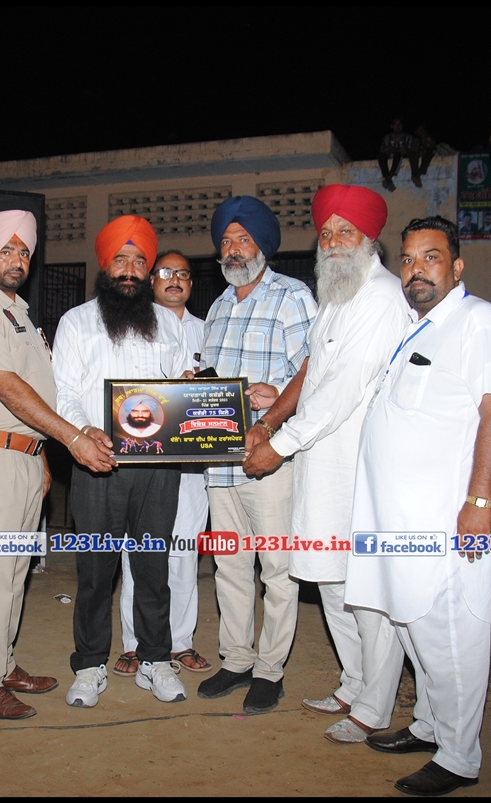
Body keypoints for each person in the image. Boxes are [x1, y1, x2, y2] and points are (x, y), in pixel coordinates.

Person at [348, 218, 491, 796]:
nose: (416, 269)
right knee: (415, 630)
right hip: (398, 522)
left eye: (431, 257)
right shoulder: (419, 330)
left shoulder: (479, 322)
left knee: (449, 641)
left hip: (444, 522)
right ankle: (428, 725)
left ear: (457, 266)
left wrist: (479, 500)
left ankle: (460, 757)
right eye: (408, 259)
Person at [240, 186, 408, 744]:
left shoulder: (382, 296)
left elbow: (341, 390)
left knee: (364, 591)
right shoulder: (336, 294)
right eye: (327, 234)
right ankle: (354, 683)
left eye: (346, 233)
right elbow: (312, 372)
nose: (334, 243)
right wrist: (273, 422)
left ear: (369, 239)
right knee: (331, 582)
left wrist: (279, 444)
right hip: (320, 463)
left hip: (358, 467)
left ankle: (374, 708)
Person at [0, 209, 113, 720]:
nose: (17, 260)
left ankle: (1, 664)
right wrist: (70, 438)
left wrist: (42, 454)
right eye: (6, 250)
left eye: (24, 251)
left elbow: (38, 394)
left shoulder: (18, 312)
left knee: (15, 571)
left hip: (23, 457)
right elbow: (7, 388)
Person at [53, 215, 188, 707]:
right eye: (120, 260)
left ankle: (155, 660)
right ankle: (89, 665)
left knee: (153, 567)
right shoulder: (76, 322)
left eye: (138, 261)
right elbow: (63, 392)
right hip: (97, 464)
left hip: (157, 469)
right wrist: (82, 432)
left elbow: (179, 387)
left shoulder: (168, 325)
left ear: (148, 270)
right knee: (95, 572)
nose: (129, 270)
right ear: (105, 266)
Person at [195, 196, 317, 714]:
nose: (233, 249)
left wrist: (275, 409)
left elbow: (313, 369)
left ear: (263, 245)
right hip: (219, 460)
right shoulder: (218, 307)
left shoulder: (293, 297)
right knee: (230, 566)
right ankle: (237, 659)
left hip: (269, 459)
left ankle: (270, 670)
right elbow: (212, 380)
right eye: (226, 240)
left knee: (277, 569)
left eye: (243, 239)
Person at [116, 251, 212, 677]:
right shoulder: (129, 324)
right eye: (167, 272)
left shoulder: (207, 330)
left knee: (184, 554)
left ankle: (180, 642)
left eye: (184, 274)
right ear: (152, 279)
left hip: (190, 466)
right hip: (142, 461)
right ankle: (135, 644)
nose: (176, 280)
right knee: (137, 552)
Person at [378, 118, 416, 192]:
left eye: (399, 124)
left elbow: (408, 151)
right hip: (389, 157)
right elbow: (384, 150)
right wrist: (397, 149)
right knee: (381, 156)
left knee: (398, 155)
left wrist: (393, 149)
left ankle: (389, 176)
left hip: (400, 158)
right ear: (392, 126)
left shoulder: (408, 137)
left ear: (402, 126)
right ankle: (388, 178)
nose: (397, 127)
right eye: (395, 124)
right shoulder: (387, 137)